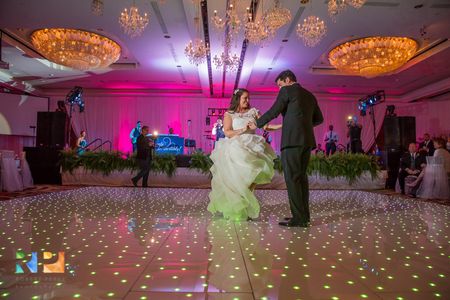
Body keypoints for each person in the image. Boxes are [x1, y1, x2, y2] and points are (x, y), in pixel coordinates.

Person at [249, 69, 324, 227]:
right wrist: (302, 125)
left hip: (291, 141)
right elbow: (319, 119)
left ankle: (299, 218)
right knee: (301, 178)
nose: (279, 88)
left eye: (280, 84)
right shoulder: (310, 95)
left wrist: (256, 124)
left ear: (288, 80)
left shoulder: (287, 90)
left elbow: (274, 111)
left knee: (292, 179)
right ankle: (304, 216)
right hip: (307, 142)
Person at [207, 88, 282, 221]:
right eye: (245, 98)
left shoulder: (254, 112)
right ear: (238, 99)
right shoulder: (229, 114)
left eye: (248, 98)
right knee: (238, 180)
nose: (247, 101)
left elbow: (265, 126)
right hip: (236, 147)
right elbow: (228, 132)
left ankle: (243, 201)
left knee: (256, 174)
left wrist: (283, 125)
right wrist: (243, 129)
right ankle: (239, 206)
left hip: (254, 147)